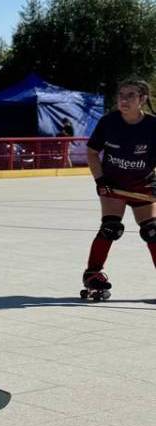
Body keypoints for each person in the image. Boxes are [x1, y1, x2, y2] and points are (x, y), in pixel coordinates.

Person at [82, 79, 156, 300]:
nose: (123, 100)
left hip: (142, 184)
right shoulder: (108, 122)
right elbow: (92, 153)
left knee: (152, 231)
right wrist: (100, 180)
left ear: (142, 99)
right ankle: (93, 273)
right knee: (111, 228)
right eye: (121, 95)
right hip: (113, 184)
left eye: (130, 96)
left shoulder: (153, 126)